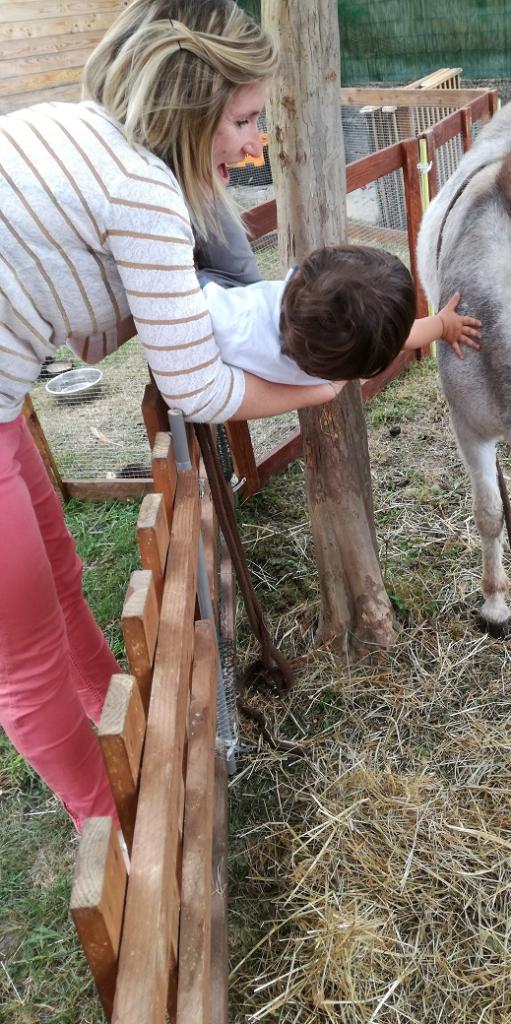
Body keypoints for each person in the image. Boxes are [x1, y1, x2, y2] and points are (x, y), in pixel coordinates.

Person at [0, 0, 319, 838]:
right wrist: (316, 394)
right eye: (244, 119)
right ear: (191, 103)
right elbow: (199, 390)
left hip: (4, 409)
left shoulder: (76, 126)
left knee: (60, 579)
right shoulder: (144, 192)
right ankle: (115, 825)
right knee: (25, 669)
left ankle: (123, 735)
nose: (254, 144)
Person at [201, 244, 481, 391]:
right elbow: (397, 338)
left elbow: (395, 338)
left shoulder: (233, 326)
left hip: (218, 296)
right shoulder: (330, 366)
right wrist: (443, 324)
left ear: (299, 273)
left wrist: (443, 324)